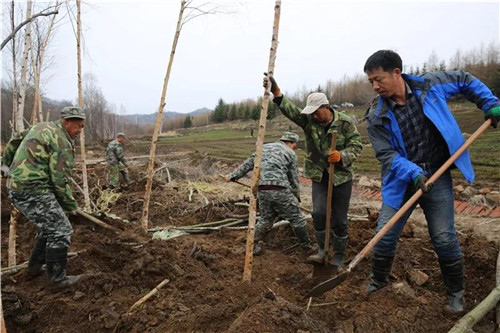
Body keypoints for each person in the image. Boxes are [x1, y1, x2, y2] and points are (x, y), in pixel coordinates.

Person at [362, 49, 500, 312]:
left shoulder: (429, 86)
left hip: (438, 173)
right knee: (385, 235)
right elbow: (386, 155)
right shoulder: (376, 115)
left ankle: (455, 294)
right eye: (371, 82)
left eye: (378, 79)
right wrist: (413, 172)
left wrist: (488, 102)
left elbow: (464, 79)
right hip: (402, 180)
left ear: (397, 73)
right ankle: (377, 283)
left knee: (444, 237)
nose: (375, 86)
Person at [263, 75, 363, 270]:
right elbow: (291, 111)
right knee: (318, 213)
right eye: (312, 113)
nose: (314, 116)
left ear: (326, 108)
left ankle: (339, 255)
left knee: (340, 218)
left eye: (316, 112)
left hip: (341, 177)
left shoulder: (345, 123)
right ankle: (322, 250)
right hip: (319, 175)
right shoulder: (309, 121)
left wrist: (342, 156)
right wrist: (276, 92)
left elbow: (357, 145)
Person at [6, 106, 88, 287]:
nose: (80, 131)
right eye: (77, 126)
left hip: (21, 186)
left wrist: (5, 166)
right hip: (32, 189)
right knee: (61, 230)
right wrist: (70, 206)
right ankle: (58, 279)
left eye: (82, 127)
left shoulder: (41, 127)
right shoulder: (62, 141)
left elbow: (15, 139)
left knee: (50, 226)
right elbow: (60, 179)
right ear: (65, 122)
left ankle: (35, 268)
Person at [226, 132, 311, 255]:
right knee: (297, 218)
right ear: (291, 143)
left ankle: (251, 247)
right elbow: (293, 178)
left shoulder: (263, 148)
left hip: (263, 189)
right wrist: (295, 196)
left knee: (266, 219)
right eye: (294, 145)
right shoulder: (290, 153)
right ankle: (307, 248)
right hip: (280, 188)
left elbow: (248, 164)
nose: (294, 148)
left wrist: (233, 176)